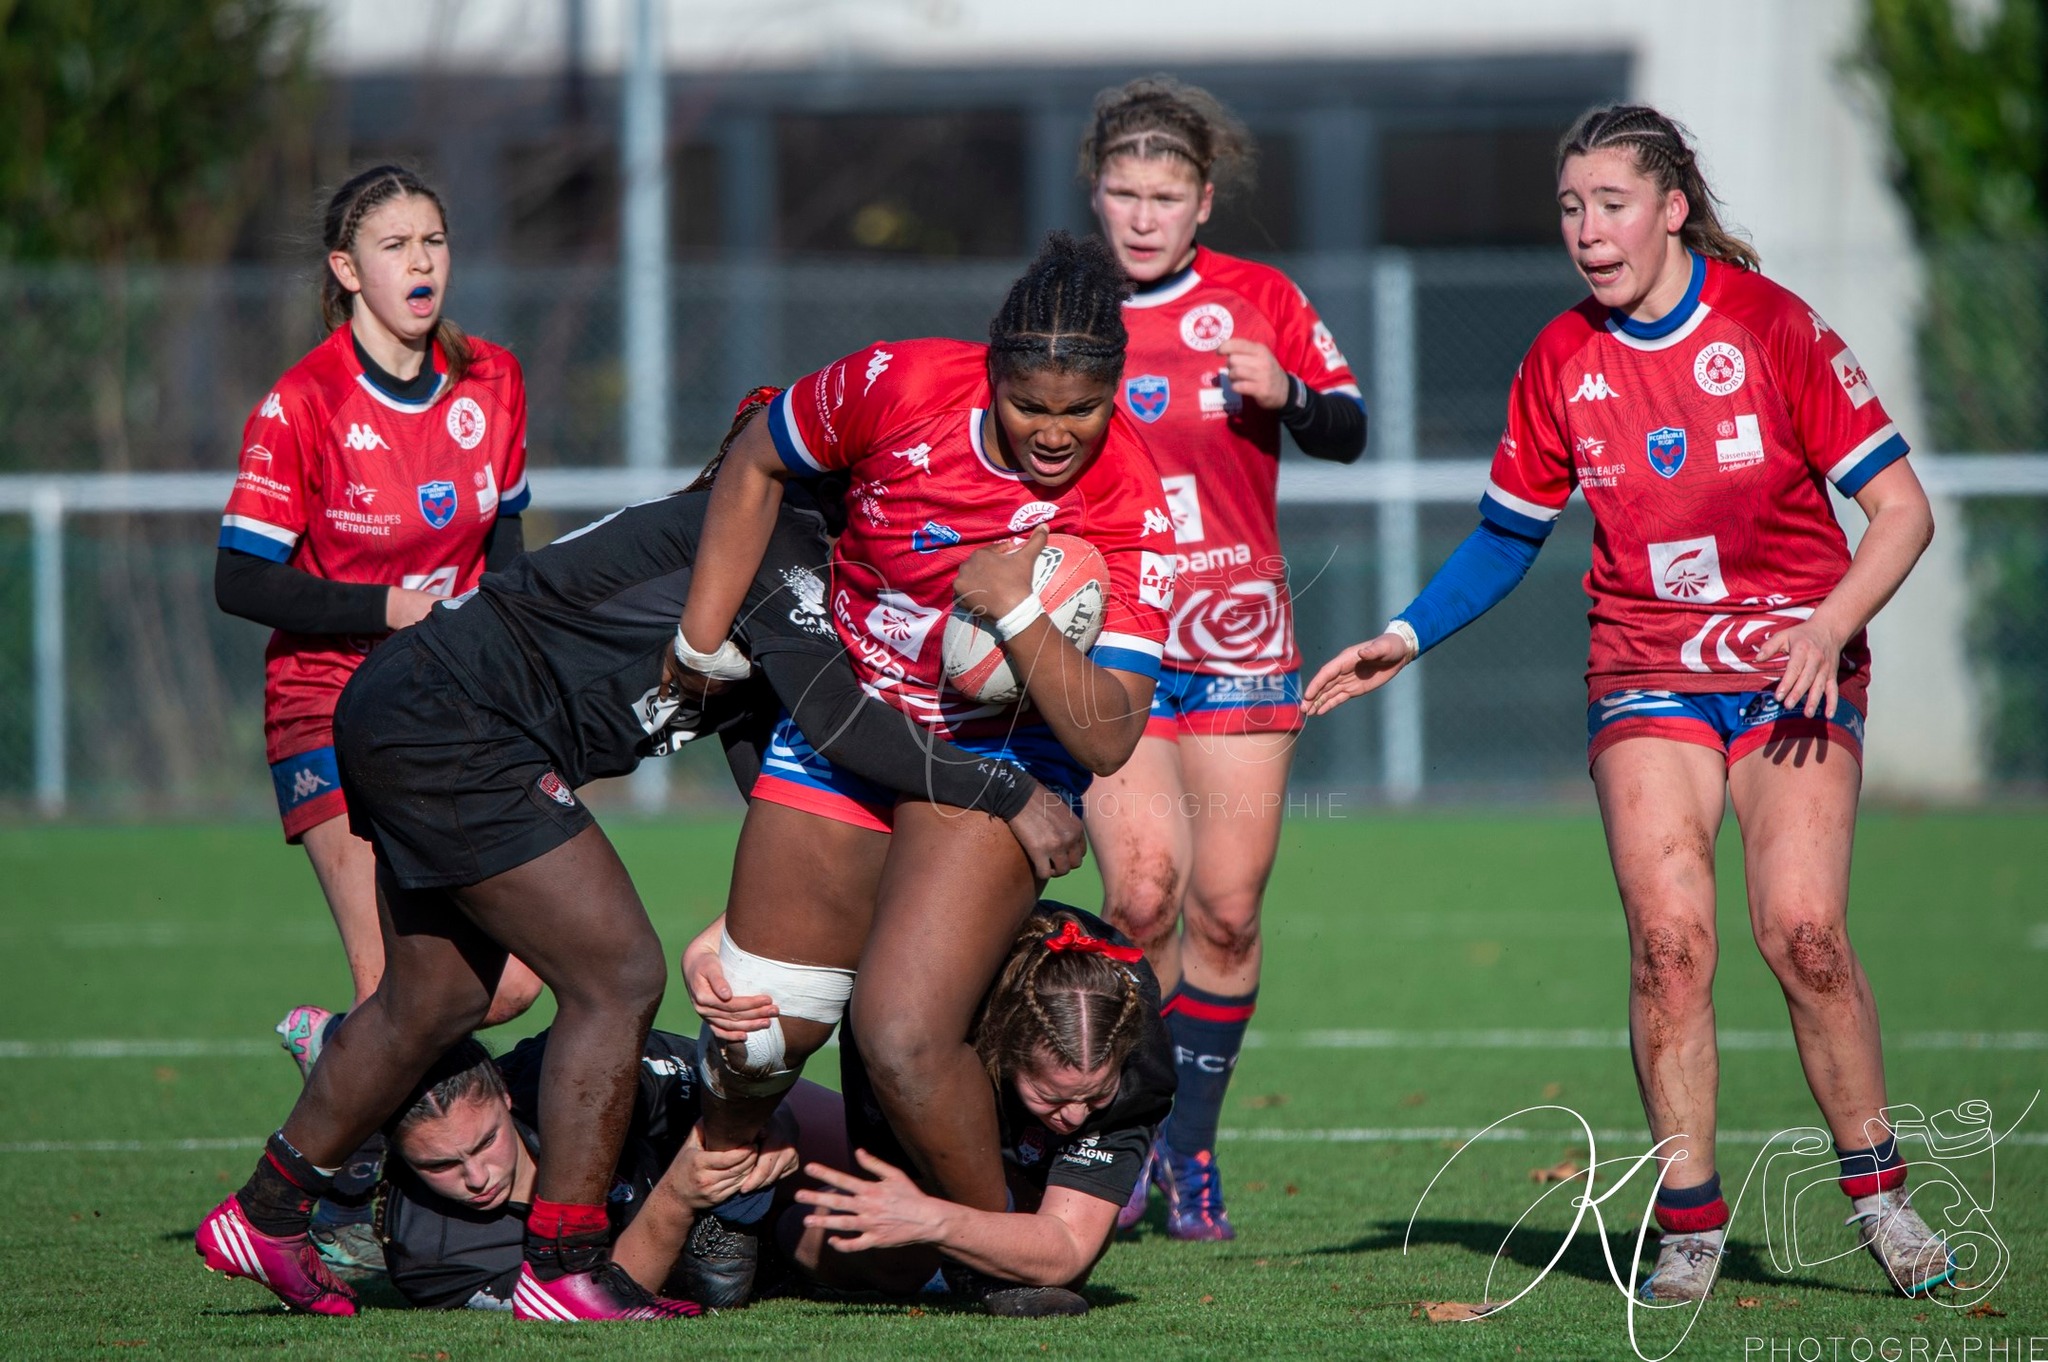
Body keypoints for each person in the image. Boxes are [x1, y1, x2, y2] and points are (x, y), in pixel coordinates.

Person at [194, 394, 1088, 1323]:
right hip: (451, 725)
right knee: (617, 976)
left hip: (409, 709)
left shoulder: (801, 565)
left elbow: (787, 779)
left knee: (440, 998)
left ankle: (266, 1214)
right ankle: (568, 1262)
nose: (919, 498)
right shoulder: (772, 539)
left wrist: (843, 913)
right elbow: (841, 722)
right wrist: (1007, 791)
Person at [1303, 104, 1952, 1303]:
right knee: (1667, 947)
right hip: (1645, 667)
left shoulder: (1773, 330)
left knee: (1801, 938)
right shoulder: (1559, 356)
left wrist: (1827, 622)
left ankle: (1879, 1195)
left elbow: (1901, 511)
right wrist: (1401, 636)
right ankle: (1689, 1218)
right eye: (1568, 208)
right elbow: (1505, 541)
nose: (1587, 231)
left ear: (1667, 209)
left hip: (1787, 669)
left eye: (1609, 205)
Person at [673, 232, 1175, 1300]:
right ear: (987, 372)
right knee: (758, 1028)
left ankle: (997, 1262)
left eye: (1079, 409)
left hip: (1004, 756)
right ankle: (727, 1199)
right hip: (848, 728)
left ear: (1112, 393)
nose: (1052, 432)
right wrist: (697, 642)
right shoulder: (895, 383)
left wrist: (1017, 609)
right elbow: (757, 456)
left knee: (898, 1033)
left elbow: (1107, 736)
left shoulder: (1132, 496)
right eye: (1027, 404)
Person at [213, 163, 544, 1278]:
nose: (422, 263)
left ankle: (333, 1066)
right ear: (346, 271)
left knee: (512, 980)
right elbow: (241, 578)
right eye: (395, 246)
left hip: (450, 709)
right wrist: (382, 608)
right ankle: (351, 1218)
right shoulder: (301, 402)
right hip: (326, 708)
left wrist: (521, 668)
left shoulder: (491, 379)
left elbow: (503, 555)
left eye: (435, 241)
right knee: (396, 994)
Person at [1073, 76, 1368, 1243]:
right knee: (1140, 896)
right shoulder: (1063, 303)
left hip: (1239, 637)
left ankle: (1187, 1148)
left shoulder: (1259, 299)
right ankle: (1114, 1135)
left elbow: (1347, 430)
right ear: (1094, 195)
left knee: (1227, 915)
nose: (1140, 217)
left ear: (1202, 201)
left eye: (1164, 196)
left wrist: (1287, 394)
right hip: (1113, 643)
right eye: (1121, 194)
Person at [686, 904, 1175, 1317]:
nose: (1075, 1116)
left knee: (1035, 1261)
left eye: (1095, 1095)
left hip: (981, 1064)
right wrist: (704, 952)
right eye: (1052, 1097)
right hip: (908, 1052)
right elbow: (842, 883)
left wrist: (933, 1220)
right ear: (999, 1047)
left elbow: (1067, 1247)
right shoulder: (945, 995)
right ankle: (773, 1228)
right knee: (899, 1265)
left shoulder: (1138, 1070)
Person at [375, 1029, 840, 1313]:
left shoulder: (574, 1073)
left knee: (876, 1159)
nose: (477, 1177)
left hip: (702, 1156)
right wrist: (677, 1198)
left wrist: (773, 1125)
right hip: (673, 1236)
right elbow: (582, 1301)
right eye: (439, 1164)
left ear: (503, 1092)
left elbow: (729, 1083)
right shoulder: (431, 1255)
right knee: (816, 1238)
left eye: (486, 1141)